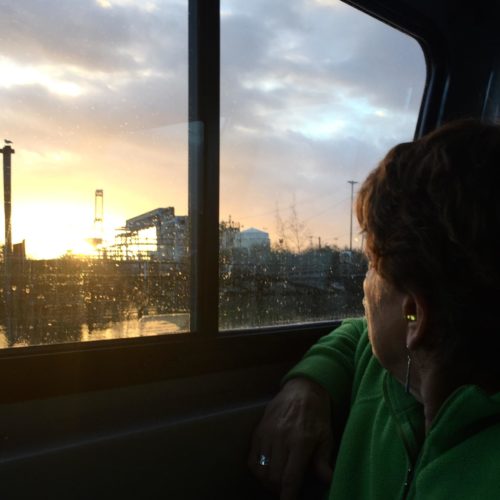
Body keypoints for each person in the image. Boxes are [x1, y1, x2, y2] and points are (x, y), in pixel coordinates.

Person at [249, 119, 500, 500]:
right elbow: (354, 335)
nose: (364, 287)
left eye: (372, 265)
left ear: (413, 315)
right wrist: (310, 383)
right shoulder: (389, 369)